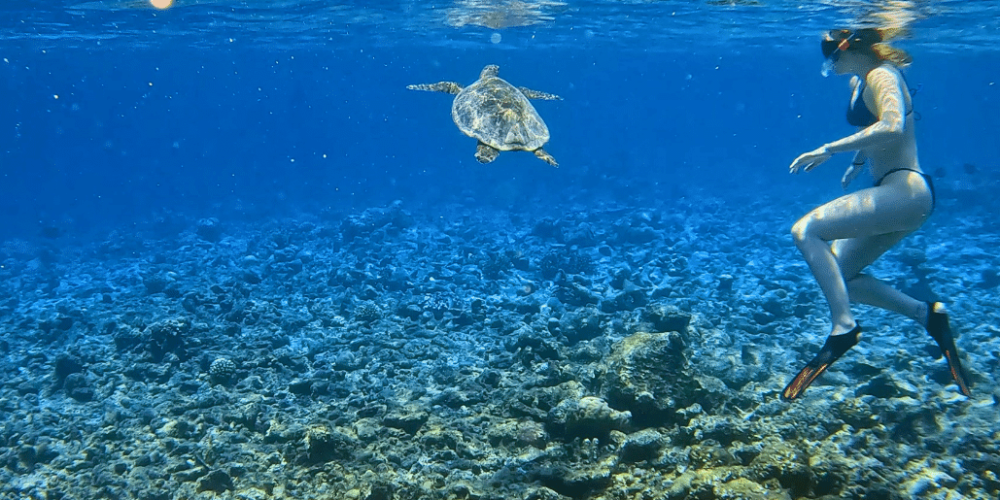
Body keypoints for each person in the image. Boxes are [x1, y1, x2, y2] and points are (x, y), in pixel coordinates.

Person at [782, 28, 971, 400]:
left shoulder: (882, 74)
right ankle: (927, 314)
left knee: (806, 231)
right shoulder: (862, 79)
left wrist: (829, 148)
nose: (830, 66)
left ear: (850, 49)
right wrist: (856, 161)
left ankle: (843, 327)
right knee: (842, 274)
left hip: (905, 191)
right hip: (899, 192)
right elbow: (875, 127)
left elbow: (892, 124)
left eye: (832, 58)